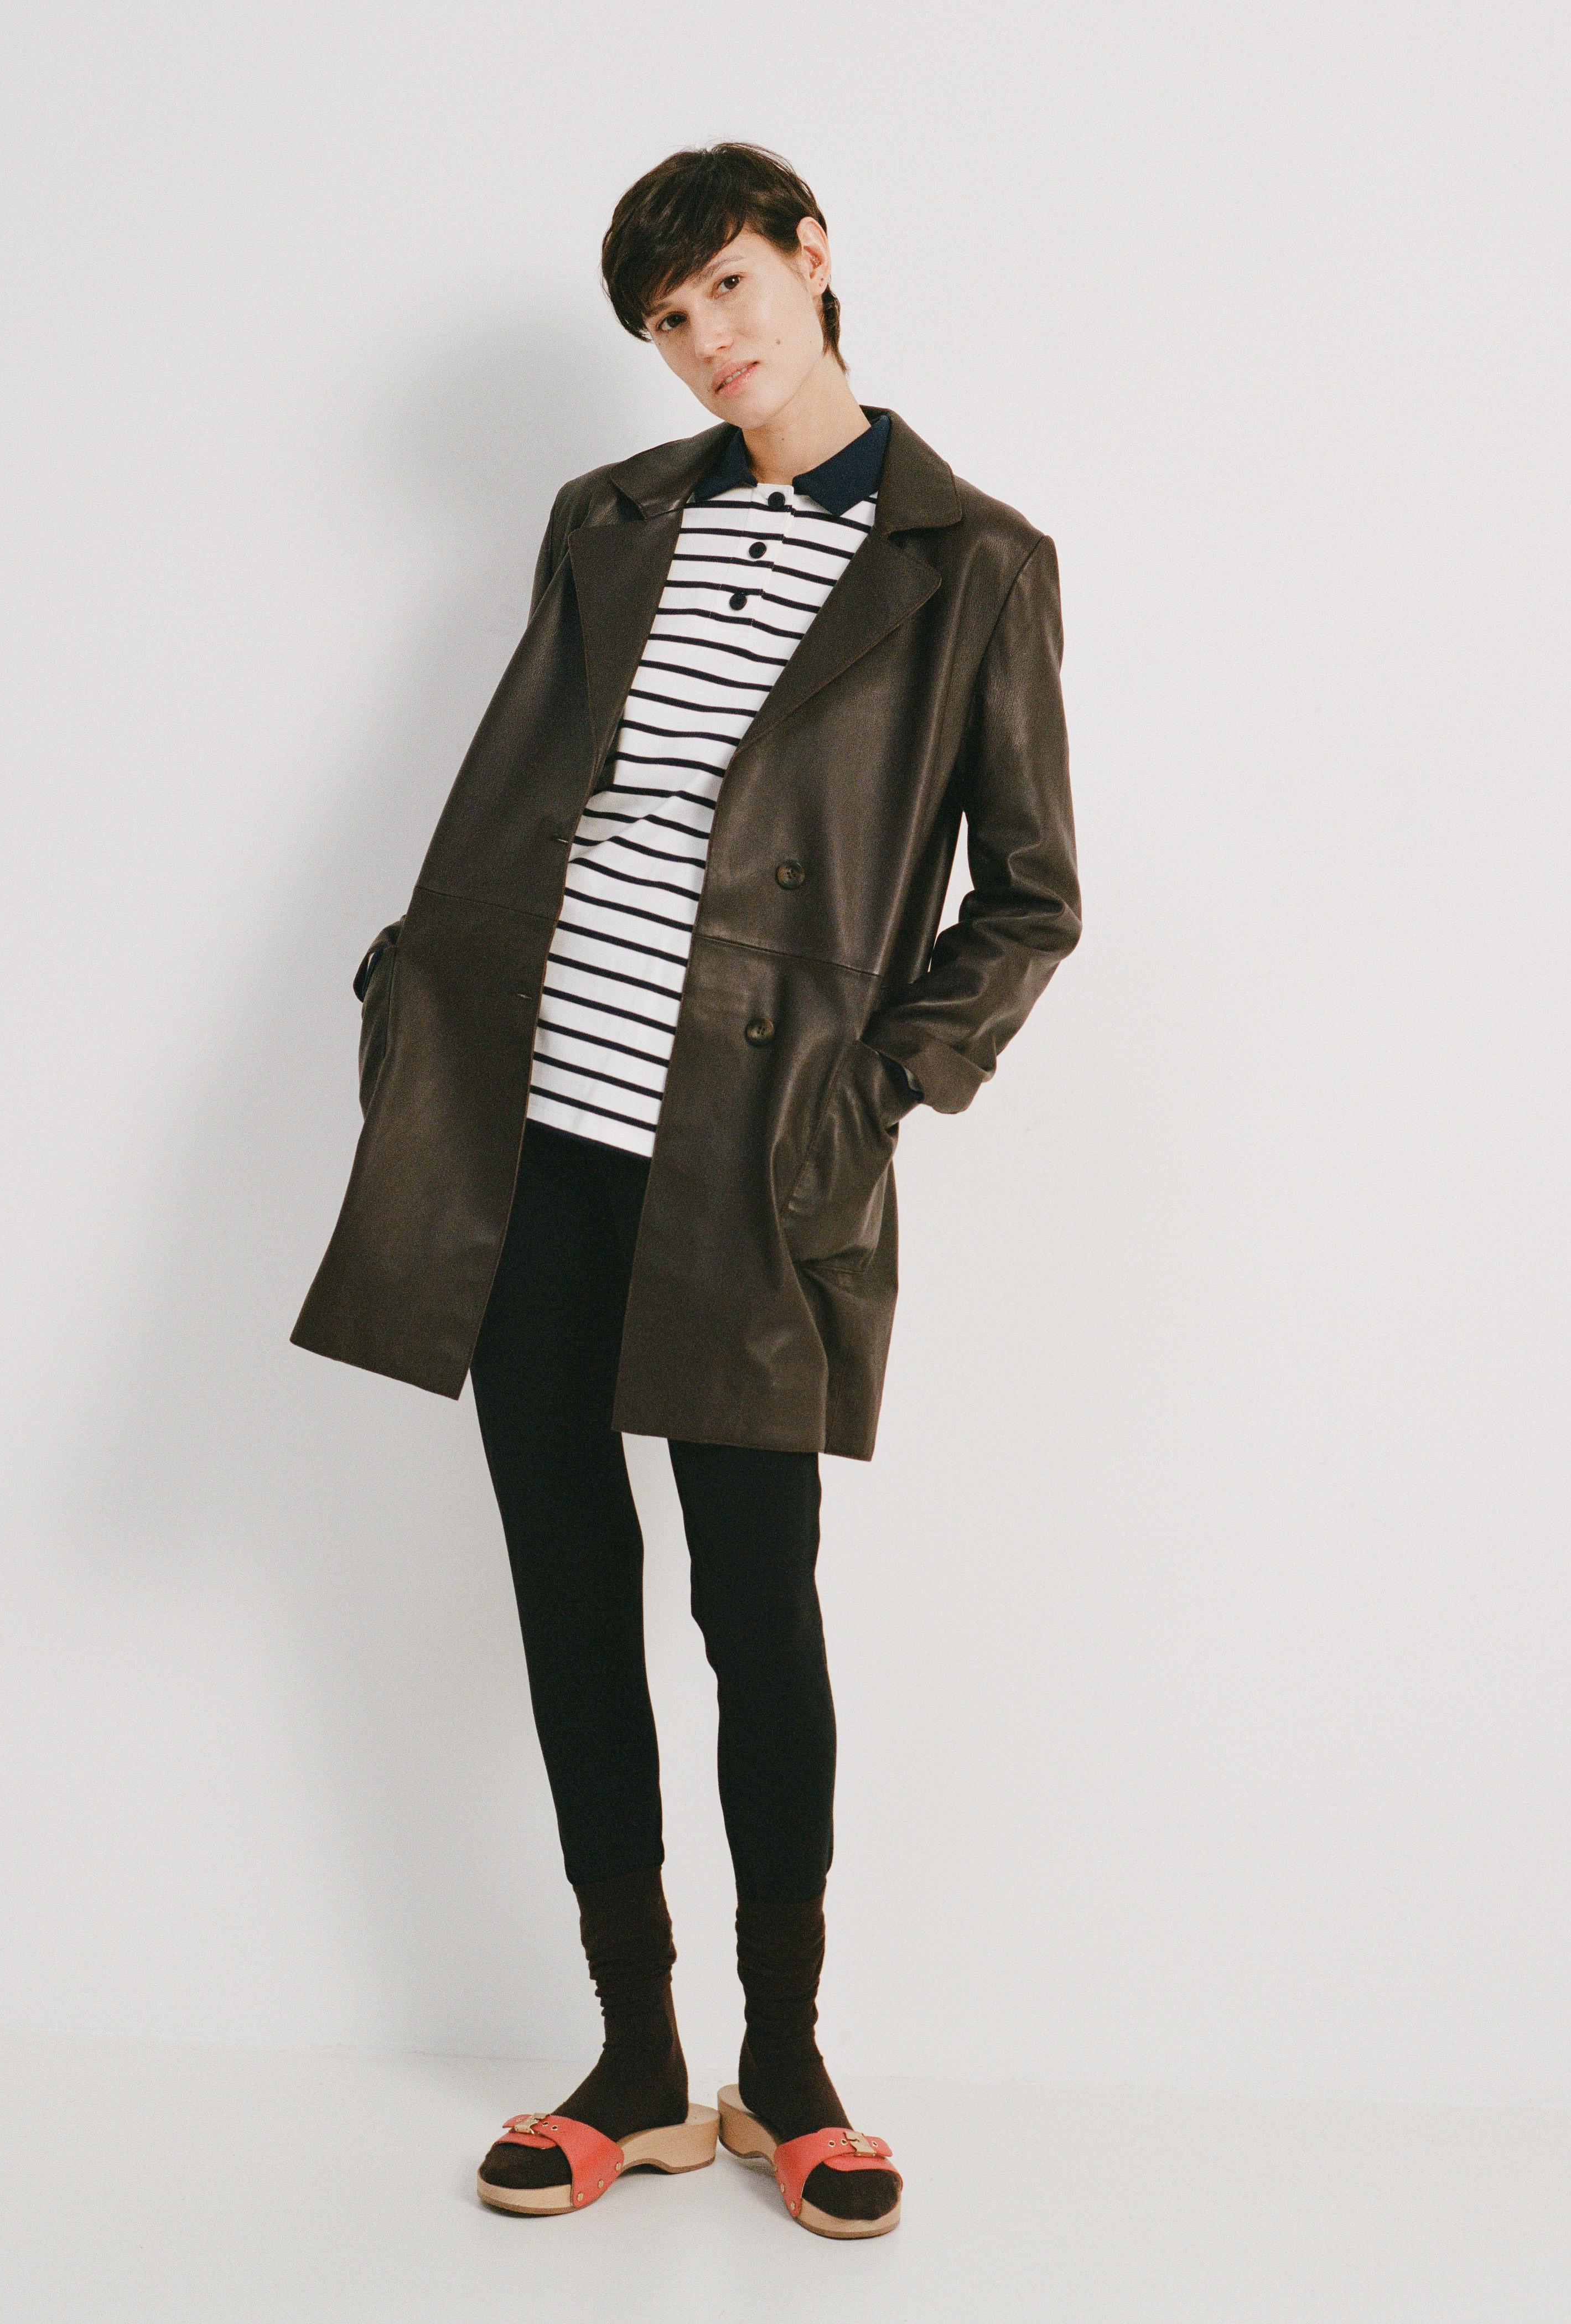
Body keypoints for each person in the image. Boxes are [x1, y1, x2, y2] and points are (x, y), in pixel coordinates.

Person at [292, 142, 1080, 2238]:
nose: (709, 340)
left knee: (756, 1602)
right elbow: (529, 783)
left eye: (730, 285)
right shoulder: (612, 518)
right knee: (567, 1578)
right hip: (529, 1123)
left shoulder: (972, 563)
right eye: (667, 319)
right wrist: (415, 996)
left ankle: (786, 2060)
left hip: (751, 1158)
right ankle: (637, 2058)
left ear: (813, 260)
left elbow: (1031, 898)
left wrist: (871, 1095)